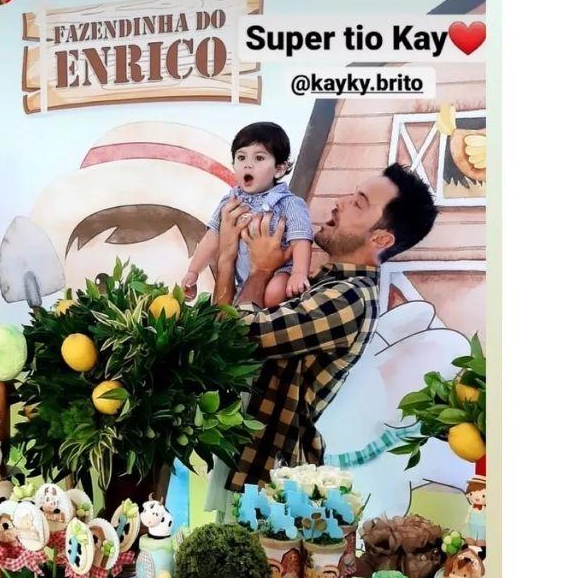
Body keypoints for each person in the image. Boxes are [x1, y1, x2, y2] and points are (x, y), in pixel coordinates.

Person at [213, 163, 438, 491]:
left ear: (380, 238)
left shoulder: (348, 298)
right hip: (254, 464)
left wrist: (251, 267)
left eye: (358, 203)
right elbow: (231, 335)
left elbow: (233, 336)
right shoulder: (325, 284)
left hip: (266, 477)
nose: (340, 202)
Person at [183, 122, 313, 308]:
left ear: (279, 169)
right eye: (241, 157)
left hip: (279, 272)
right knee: (225, 307)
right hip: (241, 279)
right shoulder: (229, 201)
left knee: (274, 292)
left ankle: (269, 314)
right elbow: (212, 236)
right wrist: (193, 271)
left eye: (259, 158)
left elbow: (300, 239)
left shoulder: (289, 203)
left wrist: (299, 273)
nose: (248, 165)